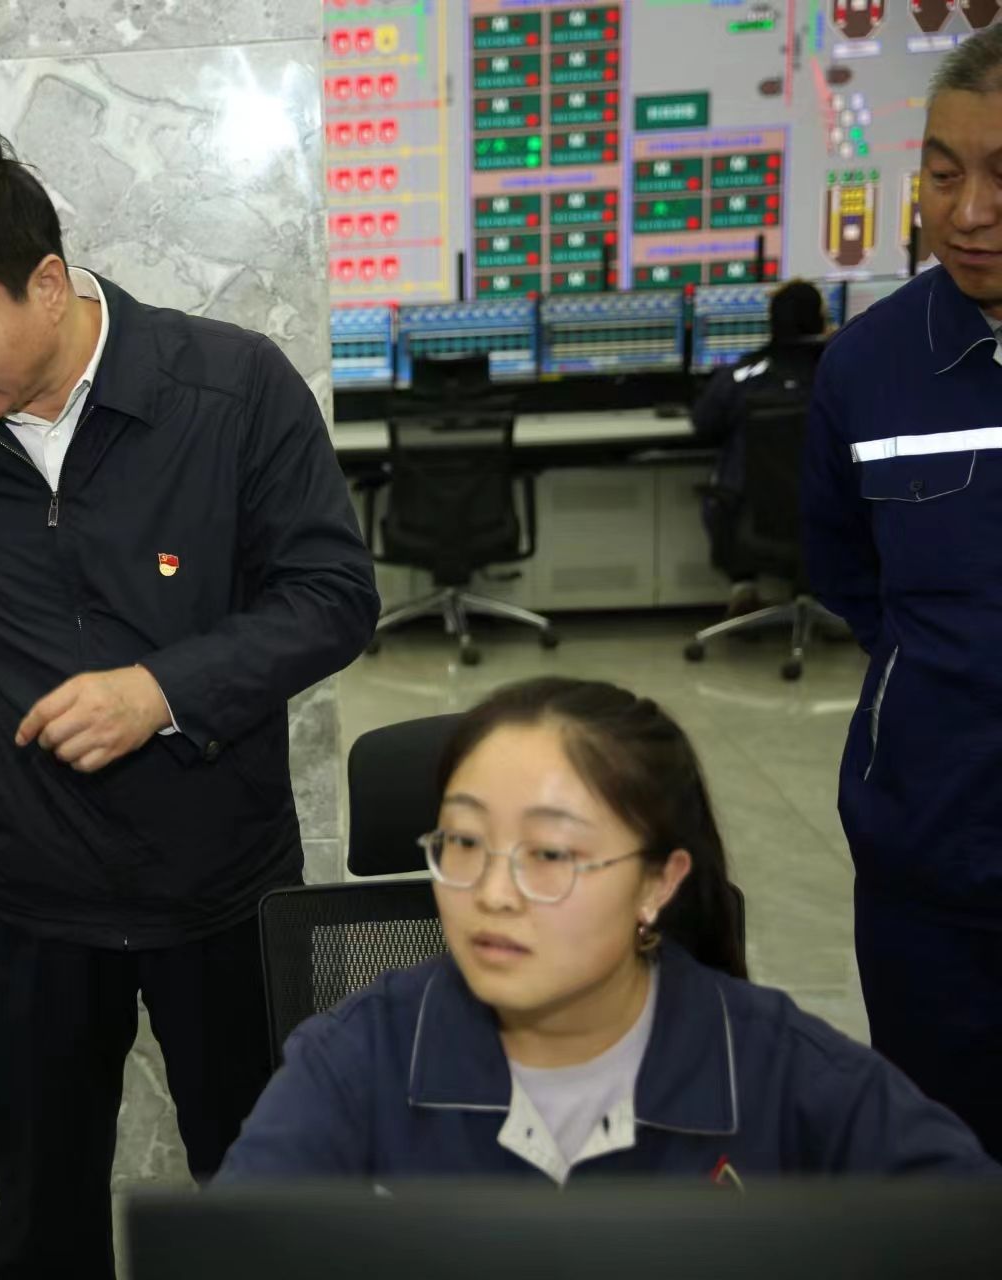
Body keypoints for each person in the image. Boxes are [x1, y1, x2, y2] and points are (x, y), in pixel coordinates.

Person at [0, 125, 379, 1278]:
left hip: (221, 881)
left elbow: (332, 595)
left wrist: (161, 691)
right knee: (45, 1209)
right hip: (30, 898)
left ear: (48, 283)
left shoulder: (228, 389)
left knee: (257, 1203)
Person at [220, 678, 997, 1184]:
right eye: (462, 842)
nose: (492, 893)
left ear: (659, 882)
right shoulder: (355, 1061)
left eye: (550, 854)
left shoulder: (791, 1080)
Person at [801, 26, 1002, 1157]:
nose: (968, 212)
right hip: (930, 861)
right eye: (941, 172)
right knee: (943, 1168)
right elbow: (846, 570)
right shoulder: (867, 368)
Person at [691, 279, 827, 614]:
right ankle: (824, 598)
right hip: (830, 513)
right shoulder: (841, 373)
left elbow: (704, 423)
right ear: (821, 322)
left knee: (726, 486)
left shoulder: (742, 375)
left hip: (751, 518)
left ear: (772, 323)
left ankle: (744, 586)